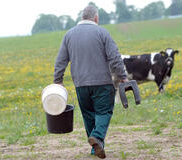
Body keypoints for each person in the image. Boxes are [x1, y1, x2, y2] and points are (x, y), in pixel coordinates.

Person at [53, 4, 128, 159]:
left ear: (82, 17)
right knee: (104, 111)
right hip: (102, 83)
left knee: (88, 115)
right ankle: (97, 137)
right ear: (96, 18)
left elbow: (61, 60)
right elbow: (114, 57)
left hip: (81, 84)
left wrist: (58, 80)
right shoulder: (102, 32)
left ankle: (95, 148)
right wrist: (123, 76)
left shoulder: (69, 35)